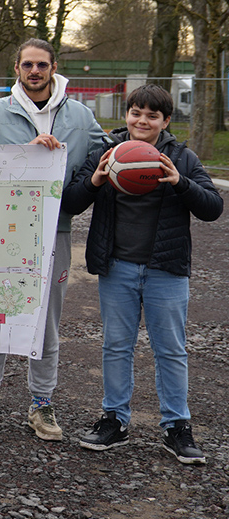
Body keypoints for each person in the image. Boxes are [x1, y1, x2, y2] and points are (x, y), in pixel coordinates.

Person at [62, 85, 222, 465]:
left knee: (170, 349)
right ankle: (114, 419)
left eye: (151, 116)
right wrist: (96, 180)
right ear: (128, 114)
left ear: (165, 121)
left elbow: (213, 208)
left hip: (166, 269)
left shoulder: (182, 158)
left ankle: (176, 426)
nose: (142, 121)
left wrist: (180, 183)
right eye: (136, 113)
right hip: (118, 267)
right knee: (116, 346)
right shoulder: (107, 153)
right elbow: (69, 200)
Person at [0, 39, 103, 442]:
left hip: (55, 229)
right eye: (28, 65)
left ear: (54, 67)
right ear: (17, 69)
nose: (35, 71)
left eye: (42, 65)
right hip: (4, 229)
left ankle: (42, 403)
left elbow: (99, 155)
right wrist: (26, 153)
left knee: (47, 319)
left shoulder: (78, 115)